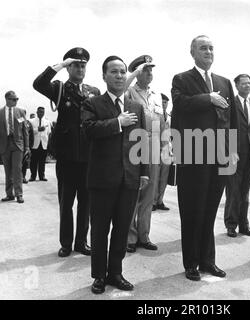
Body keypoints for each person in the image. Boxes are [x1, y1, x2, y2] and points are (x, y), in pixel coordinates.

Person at [171, 35, 237, 281]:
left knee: (210, 210)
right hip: (193, 154)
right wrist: (208, 98)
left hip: (219, 155)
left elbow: (233, 122)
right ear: (193, 53)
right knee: (192, 210)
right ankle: (191, 262)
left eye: (211, 48)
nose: (208, 51)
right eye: (203, 48)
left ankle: (208, 260)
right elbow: (180, 105)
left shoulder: (224, 81)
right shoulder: (182, 79)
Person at [81, 55, 149, 294]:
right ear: (104, 76)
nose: (120, 76)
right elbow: (88, 131)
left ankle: (115, 272)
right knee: (100, 229)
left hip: (129, 179)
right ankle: (99, 275)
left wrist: (144, 172)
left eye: (122, 72)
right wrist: (117, 122)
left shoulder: (136, 107)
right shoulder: (93, 104)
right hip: (102, 179)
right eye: (114, 72)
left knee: (122, 229)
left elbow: (142, 142)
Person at [33, 47, 101, 257]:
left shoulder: (94, 91)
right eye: (76, 65)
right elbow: (38, 84)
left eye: (83, 65)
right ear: (69, 67)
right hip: (66, 155)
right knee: (66, 202)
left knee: (86, 203)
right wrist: (61, 65)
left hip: (88, 155)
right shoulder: (59, 88)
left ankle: (81, 242)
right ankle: (66, 243)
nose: (80, 69)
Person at [125, 55, 164, 253]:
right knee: (134, 192)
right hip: (136, 145)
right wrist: (133, 73)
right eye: (145, 70)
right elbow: (120, 90)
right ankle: (129, 236)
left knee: (149, 194)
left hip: (155, 145)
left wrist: (166, 145)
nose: (150, 73)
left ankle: (143, 235)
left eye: (151, 70)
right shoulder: (129, 91)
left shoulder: (157, 95)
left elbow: (162, 121)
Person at [224, 74, 250, 238]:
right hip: (233, 154)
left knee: (245, 192)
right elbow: (225, 128)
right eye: (243, 84)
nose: (247, 86)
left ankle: (244, 225)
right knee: (233, 191)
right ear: (236, 86)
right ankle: (231, 224)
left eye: (249, 83)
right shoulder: (230, 104)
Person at [0, 91, 30, 204]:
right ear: (7, 99)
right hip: (4, 145)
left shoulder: (20, 112)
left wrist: (27, 146)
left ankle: (19, 194)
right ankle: (9, 194)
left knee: (17, 169)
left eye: (17, 99)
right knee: (8, 171)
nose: (16, 101)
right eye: (13, 99)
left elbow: (25, 131)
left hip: (17, 145)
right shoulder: (0, 113)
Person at [153, 93, 171, 212]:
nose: (164, 104)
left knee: (164, 177)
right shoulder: (156, 115)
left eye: (166, 102)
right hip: (156, 148)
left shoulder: (169, 116)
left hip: (167, 150)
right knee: (155, 176)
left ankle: (160, 200)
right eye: (163, 102)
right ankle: (153, 201)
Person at [29, 107, 51, 182]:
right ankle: (33, 176)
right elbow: (29, 132)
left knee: (42, 161)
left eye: (42, 112)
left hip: (44, 143)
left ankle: (42, 176)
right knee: (33, 161)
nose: (41, 113)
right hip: (35, 144)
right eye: (40, 112)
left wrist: (48, 144)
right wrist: (37, 130)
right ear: (37, 112)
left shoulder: (47, 121)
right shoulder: (31, 121)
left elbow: (49, 133)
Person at [22, 110, 34, 184]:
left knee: (25, 162)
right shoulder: (16, 122)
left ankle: (23, 177)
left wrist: (30, 146)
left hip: (26, 146)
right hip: (16, 146)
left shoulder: (28, 123)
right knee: (15, 163)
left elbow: (31, 136)